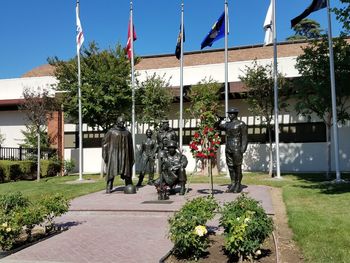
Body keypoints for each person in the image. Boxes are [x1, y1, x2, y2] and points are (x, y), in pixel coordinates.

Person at [215, 107, 248, 193]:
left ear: (236, 114)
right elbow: (216, 127)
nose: (229, 115)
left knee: (237, 166)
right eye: (229, 114)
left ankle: (238, 184)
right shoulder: (227, 124)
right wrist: (220, 120)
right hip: (228, 147)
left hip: (237, 147)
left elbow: (244, 137)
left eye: (231, 114)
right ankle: (233, 183)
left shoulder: (241, 124)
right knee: (230, 166)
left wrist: (243, 149)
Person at [102, 116, 134, 193]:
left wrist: (131, 157)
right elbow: (105, 143)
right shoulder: (111, 132)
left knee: (126, 171)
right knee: (112, 171)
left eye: (123, 122)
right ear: (117, 122)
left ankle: (128, 184)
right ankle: (109, 186)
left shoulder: (127, 133)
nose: (122, 123)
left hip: (125, 156)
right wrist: (106, 155)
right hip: (114, 155)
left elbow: (130, 146)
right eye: (121, 122)